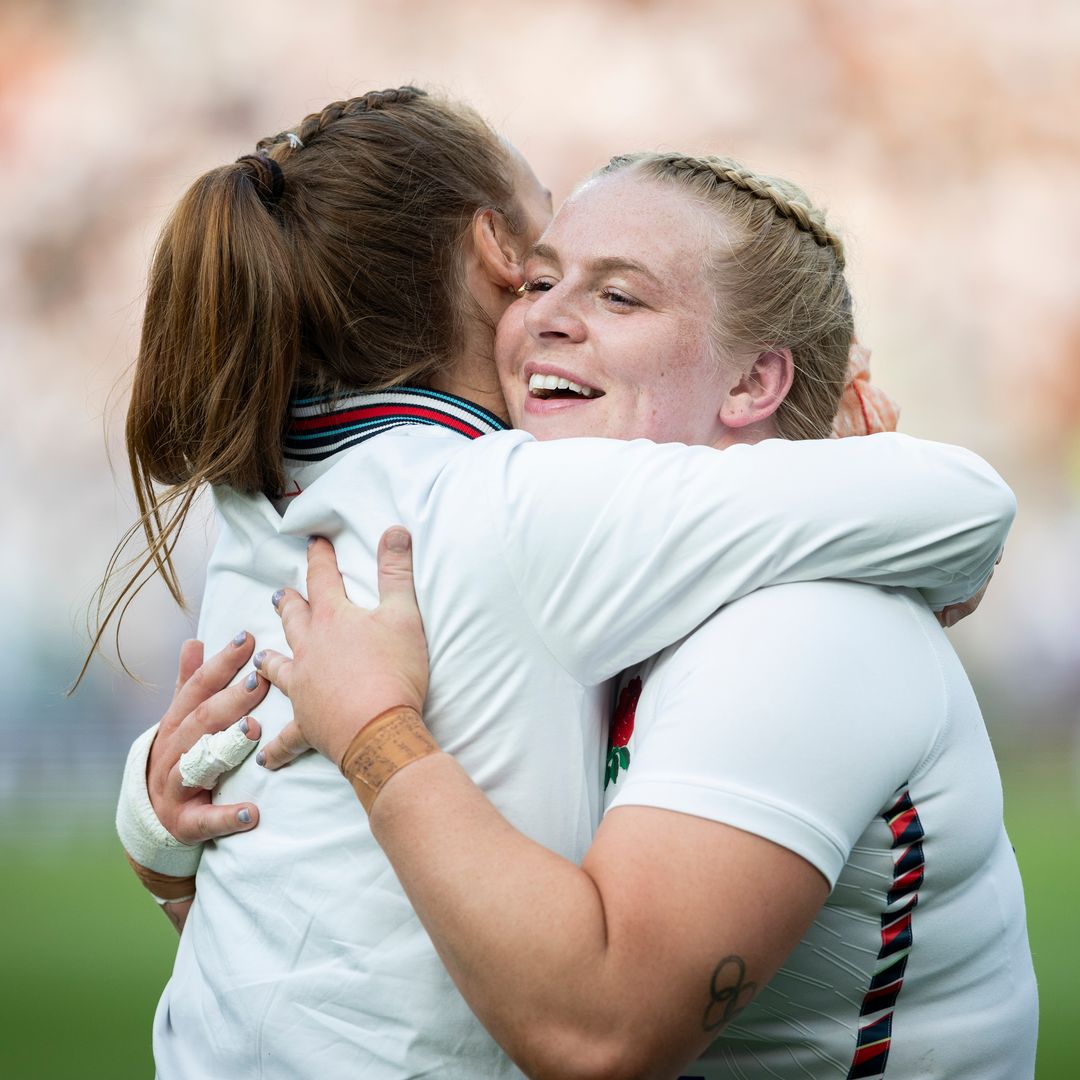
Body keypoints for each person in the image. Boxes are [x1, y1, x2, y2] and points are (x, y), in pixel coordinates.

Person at [105, 87, 1016, 1080]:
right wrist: (166, 815)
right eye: (539, 281)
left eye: (618, 295)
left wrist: (349, 743)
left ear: (758, 382)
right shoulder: (510, 510)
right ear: (489, 255)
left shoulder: (803, 622)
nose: (546, 316)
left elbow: (599, 1032)